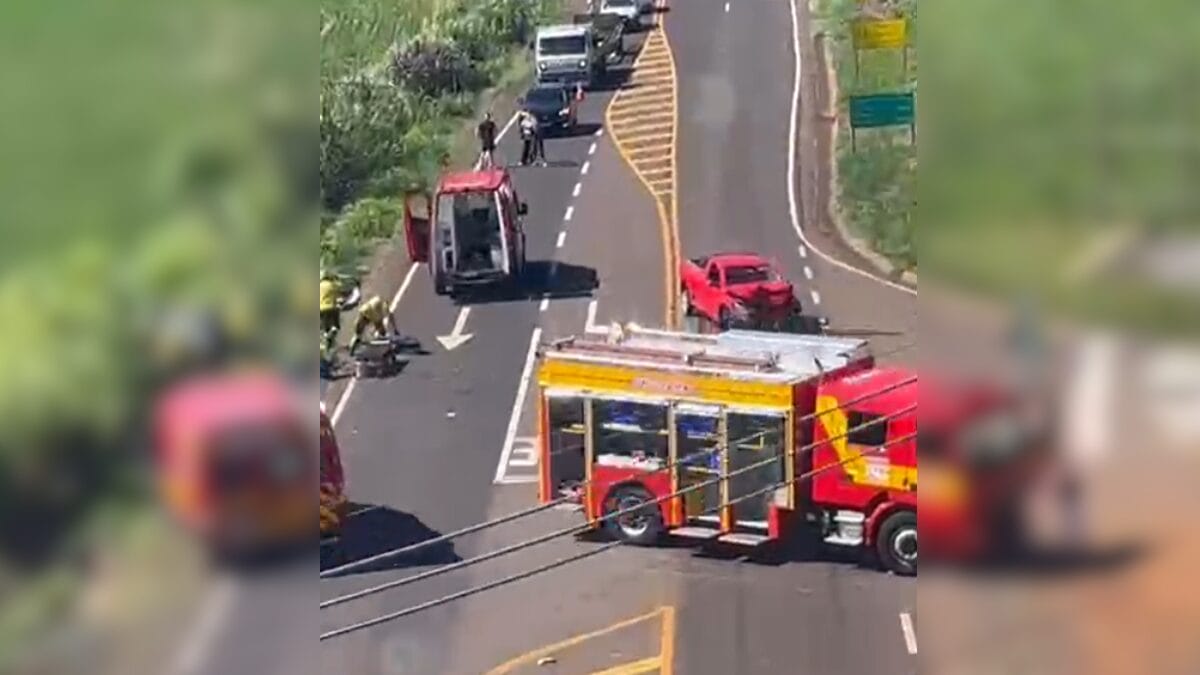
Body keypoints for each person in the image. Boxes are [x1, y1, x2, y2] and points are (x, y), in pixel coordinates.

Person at [319, 271, 341, 352]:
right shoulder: (333, 285)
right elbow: (339, 288)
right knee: (335, 324)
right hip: (333, 308)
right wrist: (335, 278)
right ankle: (334, 328)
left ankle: (326, 334)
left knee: (324, 326)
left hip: (321, 308)